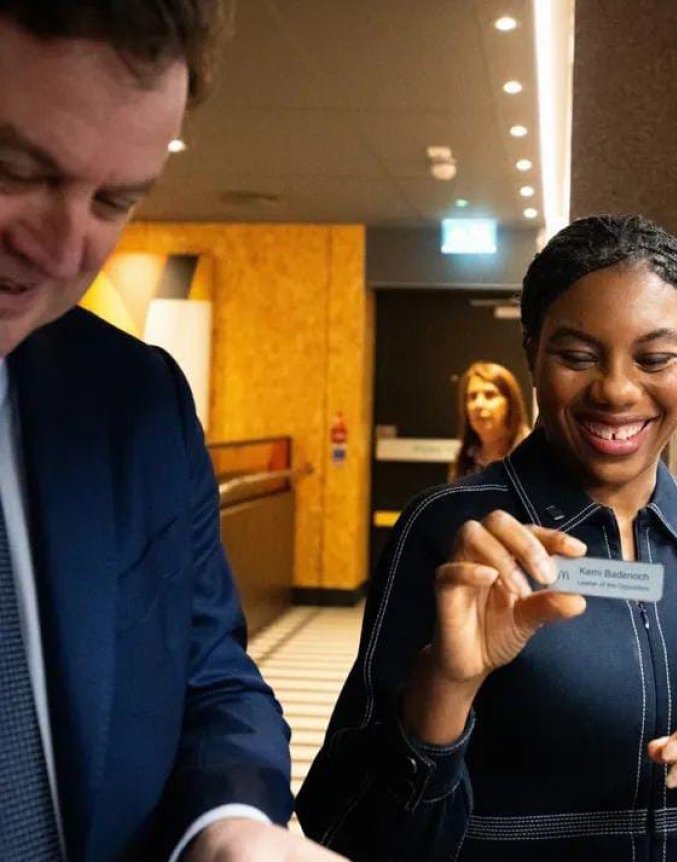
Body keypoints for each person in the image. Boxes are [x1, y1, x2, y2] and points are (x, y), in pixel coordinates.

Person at [296, 215, 677, 860]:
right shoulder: (455, 534)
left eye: (654, 358)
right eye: (577, 356)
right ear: (532, 351)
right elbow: (341, 825)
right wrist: (443, 696)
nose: (617, 390)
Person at [0, 3, 344, 860]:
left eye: (114, 200)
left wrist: (226, 829)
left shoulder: (135, 402)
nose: (66, 247)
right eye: (13, 170)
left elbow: (205, 674)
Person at [449, 361, 530, 481]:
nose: (479, 404)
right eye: (472, 396)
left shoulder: (532, 454)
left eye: (490, 395)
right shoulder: (466, 458)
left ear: (510, 404)